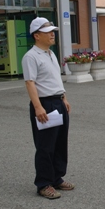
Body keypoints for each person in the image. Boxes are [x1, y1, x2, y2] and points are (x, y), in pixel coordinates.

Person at [22, 17, 74, 199]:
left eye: (53, 31)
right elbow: (30, 83)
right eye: (48, 32)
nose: (52, 34)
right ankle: (44, 183)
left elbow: (55, 79)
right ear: (37, 35)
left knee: (60, 142)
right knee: (45, 145)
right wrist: (38, 107)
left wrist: (64, 97)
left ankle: (56, 177)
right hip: (45, 104)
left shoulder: (50, 54)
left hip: (57, 102)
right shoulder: (31, 56)